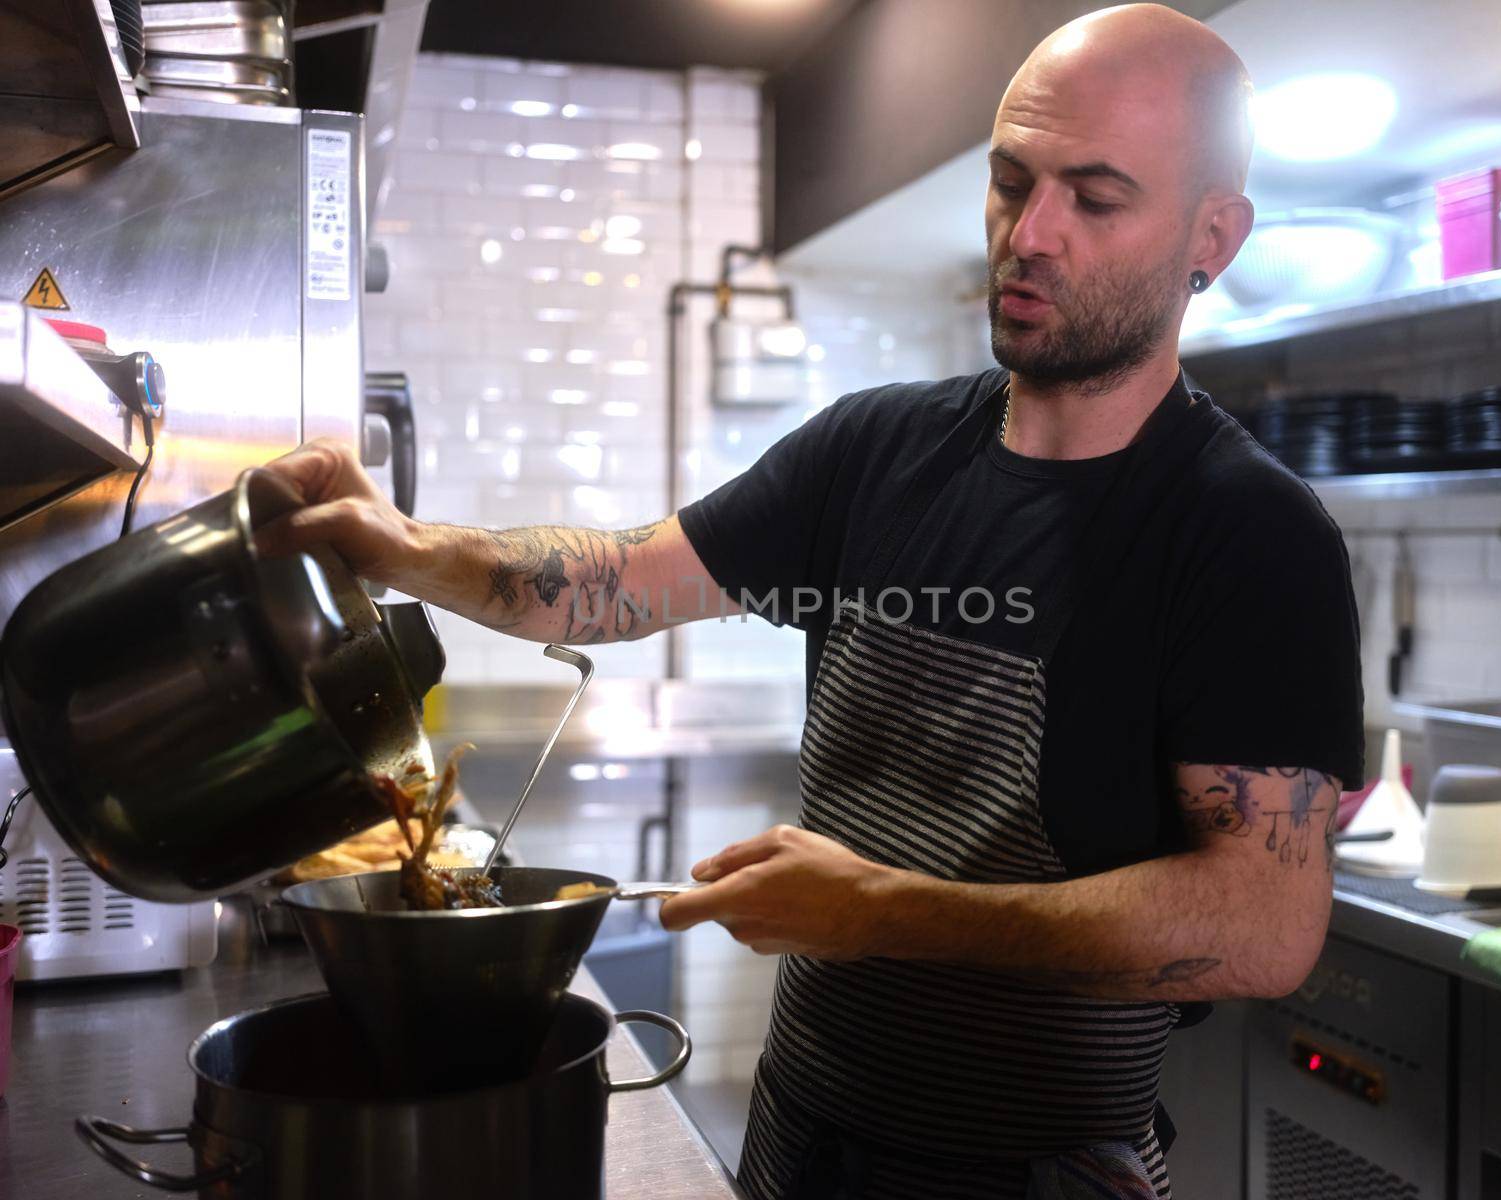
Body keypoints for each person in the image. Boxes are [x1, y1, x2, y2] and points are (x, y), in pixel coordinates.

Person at [259, 6, 1363, 1196]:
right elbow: (615, 584)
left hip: (1031, 1168)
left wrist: (884, 912)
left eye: (1094, 200)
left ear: (1213, 236)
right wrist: (404, 546)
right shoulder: (877, 452)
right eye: (1009, 181)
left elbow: (1260, 925)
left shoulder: (1245, 532)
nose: (1028, 235)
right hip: (799, 1135)